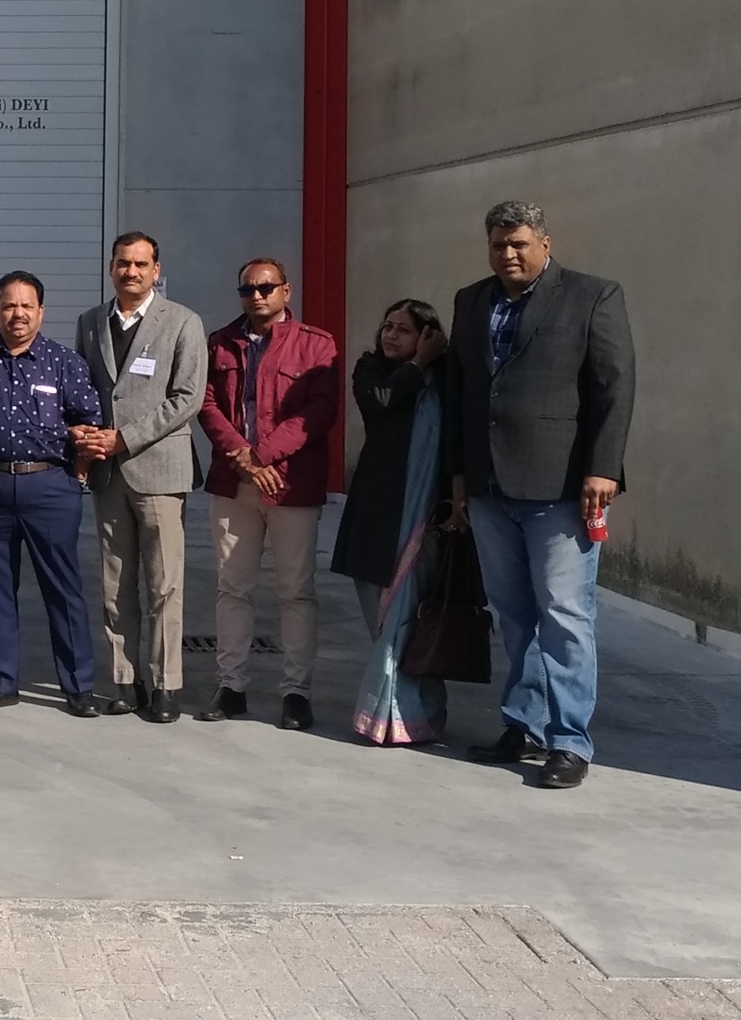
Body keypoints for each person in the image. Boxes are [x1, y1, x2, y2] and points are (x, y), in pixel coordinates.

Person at [446, 201, 634, 789]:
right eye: (498, 244)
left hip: (561, 486)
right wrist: (458, 475)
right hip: (488, 484)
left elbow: (614, 386)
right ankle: (523, 723)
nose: (507, 254)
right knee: (514, 613)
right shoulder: (470, 301)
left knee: (565, 614)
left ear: (545, 244)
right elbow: (461, 391)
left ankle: (569, 741)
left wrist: (602, 468)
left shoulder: (592, 296)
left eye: (519, 244)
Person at [196, 257, 340, 729]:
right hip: (233, 483)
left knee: (295, 591)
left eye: (265, 288)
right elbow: (207, 405)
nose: (256, 296)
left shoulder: (316, 344)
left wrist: (263, 456)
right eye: (247, 289)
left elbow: (319, 411)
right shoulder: (220, 343)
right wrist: (242, 456)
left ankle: (296, 692)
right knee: (233, 588)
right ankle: (231, 686)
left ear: (286, 291)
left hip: (290, 484)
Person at [72, 232, 208, 723]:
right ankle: (126, 681)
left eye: (141, 264)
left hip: (159, 470)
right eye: (123, 263)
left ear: (156, 270)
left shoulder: (183, 321)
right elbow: (84, 389)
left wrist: (124, 439)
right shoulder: (91, 322)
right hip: (108, 475)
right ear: (111, 267)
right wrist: (86, 437)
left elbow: (187, 397)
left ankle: (167, 684)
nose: (131, 271)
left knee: (164, 584)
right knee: (115, 584)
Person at [0, 271, 102, 717]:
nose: (17, 314)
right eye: (9, 305)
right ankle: (0, 683)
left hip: (50, 487)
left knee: (63, 588)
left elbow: (89, 421)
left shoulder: (65, 363)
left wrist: (77, 476)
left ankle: (78, 686)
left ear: (41, 311)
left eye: (26, 306)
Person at [332, 300, 452, 745]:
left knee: (415, 618)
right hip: (378, 516)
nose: (390, 335)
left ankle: (412, 714)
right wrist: (418, 363)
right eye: (387, 326)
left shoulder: (446, 379)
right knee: (385, 620)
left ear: (427, 335)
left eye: (403, 329)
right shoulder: (371, 371)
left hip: (427, 518)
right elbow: (381, 402)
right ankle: (397, 713)